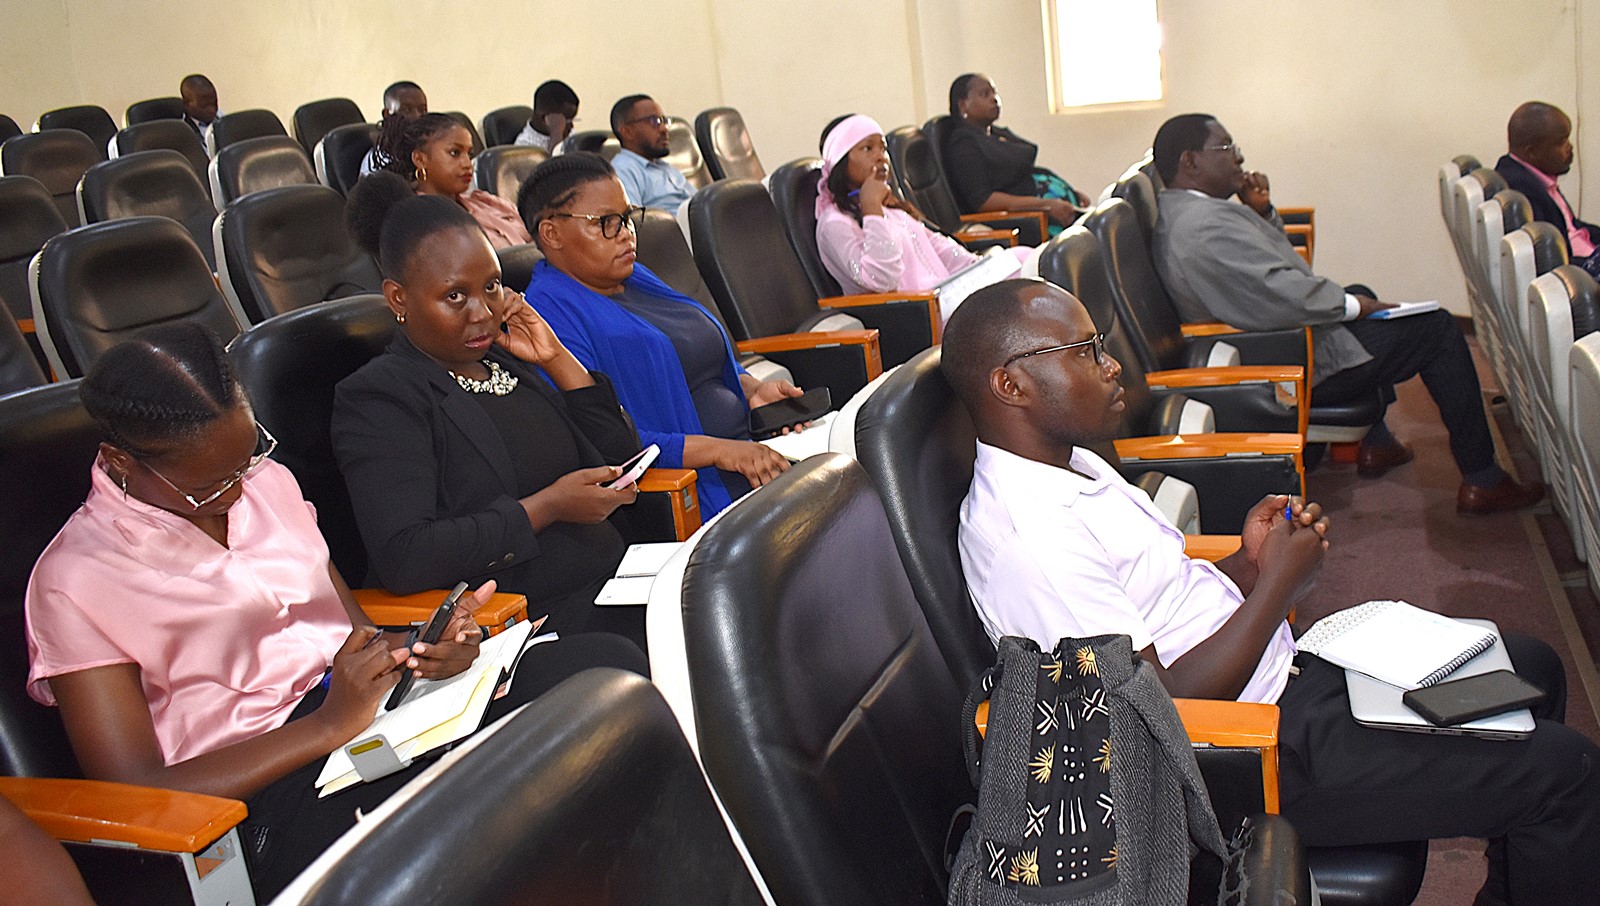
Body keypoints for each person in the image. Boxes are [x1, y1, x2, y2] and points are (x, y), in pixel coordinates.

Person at [944, 278, 1600, 906]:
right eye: (1086, 351)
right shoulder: (1029, 541)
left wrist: (1249, 564)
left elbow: (1158, 604)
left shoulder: (1069, 464)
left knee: (1530, 671)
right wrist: (1281, 585)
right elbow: (1157, 715)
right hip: (1254, 755)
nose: (1112, 366)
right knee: (1566, 774)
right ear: (1011, 384)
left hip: (1281, 679)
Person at [24, 324, 646, 900]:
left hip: (362, 718)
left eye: (246, 459)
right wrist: (327, 726)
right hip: (258, 794)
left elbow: (354, 636)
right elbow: (136, 787)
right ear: (119, 461)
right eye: (208, 485)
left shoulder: (267, 483)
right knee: (483, 814)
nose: (238, 491)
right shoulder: (76, 581)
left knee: (598, 670)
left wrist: (429, 646)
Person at [1149, 113, 1542, 515]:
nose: (1239, 157)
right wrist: (1353, 306)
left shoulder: (1195, 212)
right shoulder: (1203, 226)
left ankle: (1377, 443)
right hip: (1280, 363)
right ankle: (1484, 480)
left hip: (1274, 339)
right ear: (1190, 161)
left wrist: (1263, 212)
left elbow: (1274, 269)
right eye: (1227, 147)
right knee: (1437, 330)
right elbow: (1280, 291)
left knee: (1360, 293)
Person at [335, 172, 647, 648]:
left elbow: (619, 459)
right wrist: (546, 508)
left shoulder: (506, 361)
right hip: (521, 620)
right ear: (399, 298)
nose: (482, 312)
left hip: (615, 580)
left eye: (492, 287)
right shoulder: (381, 396)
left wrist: (556, 358)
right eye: (455, 296)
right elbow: (405, 555)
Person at [516, 153, 795, 517]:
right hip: (696, 489)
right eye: (606, 223)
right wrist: (721, 451)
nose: (627, 234)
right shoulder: (549, 315)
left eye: (627, 218)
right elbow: (607, 439)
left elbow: (695, 358)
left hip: (751, 453)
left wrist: (752, 389)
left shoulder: (634, 277)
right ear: (552, 234)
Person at [815, 114, 985, 295]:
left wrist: (980, 267)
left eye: (883, 148)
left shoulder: (890, 209)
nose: (881, 157)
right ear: (840, 162)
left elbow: (937, 248)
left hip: (944, 296)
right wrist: (871, 208)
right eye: (868, 148)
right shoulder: (835, 223)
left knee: (1007, 264)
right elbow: (882, 281)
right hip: (916, 308)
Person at [943, 73, 1086, 235]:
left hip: (1059, 211)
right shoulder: (963, 145)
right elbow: (984, 201)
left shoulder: (994, 134)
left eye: (994, 92)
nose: (994, 99)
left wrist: (1071, 192)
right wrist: (1044, 205)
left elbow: (1026, 170)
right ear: (963, 105)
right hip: (1034, 220)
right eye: (985, 94)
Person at [379, 112, 531, 249]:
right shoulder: (419, 224)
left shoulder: (485, 201)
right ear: (420, 159)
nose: (467, 164)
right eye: (455, 153)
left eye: (469, 154)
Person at [1495, 102, 1597, 267]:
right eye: (1561, 142)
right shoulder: (1521, 194)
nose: (1570, 147)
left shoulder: (1538, 177)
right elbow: (1550, 265)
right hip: (1578, 272)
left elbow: (1572, 226)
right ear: (1532, 152)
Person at [609, 94, 694, 211]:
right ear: (627, 131)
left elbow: (699, 200)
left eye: (664, 121)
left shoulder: (664, 167)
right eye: (654, 121)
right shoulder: (623, 171)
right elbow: (636, 219)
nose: (664, 129)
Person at [360, 80, 428, 177]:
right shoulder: (378, 162)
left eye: (422, 110)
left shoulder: (427, 146)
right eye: (406, 110)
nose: (417, 116)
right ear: (387, 114)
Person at [514, 79, 579, 153]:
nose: (572, 126)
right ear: (544, 119)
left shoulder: (568, 133)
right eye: (567, 121)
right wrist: (556, 135)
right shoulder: (524, 147)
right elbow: (557, 161)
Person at [179, 73, 219, 153]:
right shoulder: (182, 132)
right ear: (186, 104)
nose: (212, 110)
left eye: (214, 104)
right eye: (205, 106)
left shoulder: (223, 119)